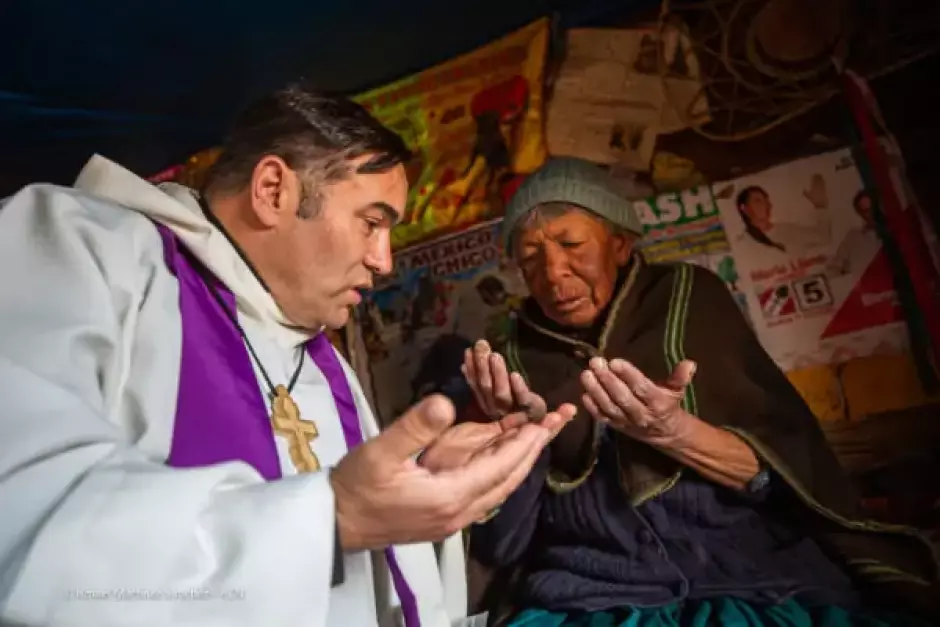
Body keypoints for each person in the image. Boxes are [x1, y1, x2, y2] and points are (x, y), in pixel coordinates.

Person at [0, 84, 576, 627]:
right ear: (274, 190)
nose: (384, 262)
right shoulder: (79, 246)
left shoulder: (323, 360)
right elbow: (24, 516)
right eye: (372, 223)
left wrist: (419, 487)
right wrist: (327, 517)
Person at [456, 157, 938, 626]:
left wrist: (672, 433)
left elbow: (782, 471)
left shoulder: (688, 298)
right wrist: (522, 442)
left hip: (742, 572)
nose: (553, 273)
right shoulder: (510, 360)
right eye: (531, 259)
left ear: (620, 245)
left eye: (571, 244)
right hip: (591, 593)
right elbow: (501, 547)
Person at [735, 179, 832, 255]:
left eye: (766, 200)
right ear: (745, 209)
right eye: (758, 200)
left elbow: (823, 237)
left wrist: (820, 206)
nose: (767, 204)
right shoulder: (744, 243)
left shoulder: (787, 230)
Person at [827, 190, 883, 277]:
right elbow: (837, 263)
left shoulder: (891, 232)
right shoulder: (853, 236)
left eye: (872, 208)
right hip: (862, 286)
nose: (871, 214)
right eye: (865, 210)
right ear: (860, 213)